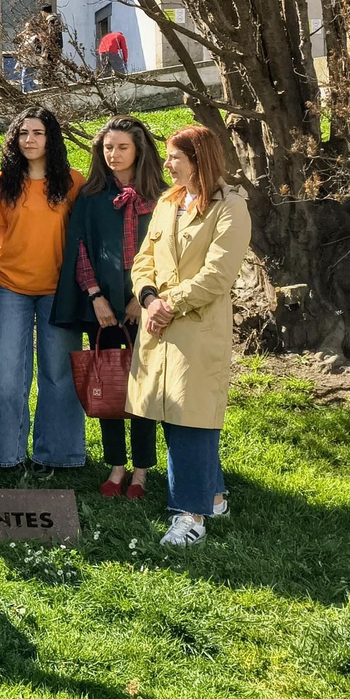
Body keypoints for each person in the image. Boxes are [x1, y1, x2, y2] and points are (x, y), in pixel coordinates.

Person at [129, 125, 251, 546]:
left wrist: (168, 304)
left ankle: (191, 518)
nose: (166, 164)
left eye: (174, 157)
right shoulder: (168, 202)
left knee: (193, 420)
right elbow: (143, 259)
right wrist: (148, 299)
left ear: (199, 160)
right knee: (173, 415)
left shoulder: (231, 208)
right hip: (158, 326)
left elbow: (217, 276)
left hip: (197, 330)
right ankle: (213, 495)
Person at [51, 115, 167, 499]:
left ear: (139, 150)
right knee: (109, 382)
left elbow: (168, 254)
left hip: (146, 304)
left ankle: (141, 470)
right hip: (101, 305)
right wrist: (96, 296)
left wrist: (141, 298)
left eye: (122, 147)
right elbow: (80, 249)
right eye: (107, 148)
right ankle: (116, 466)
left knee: (143, 388)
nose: (114, 154)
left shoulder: (163, 197)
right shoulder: (91, 196)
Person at [0, 106, 86, 476]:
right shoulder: (2, 184)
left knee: (58, 373)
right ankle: (9, 455)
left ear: (51, 139)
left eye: (38, 133)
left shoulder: (72, 182)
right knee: (8, 372)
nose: (29, 140)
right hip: (10, 287)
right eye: (23, 133)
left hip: (59, 291)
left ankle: (57, 455)